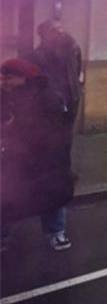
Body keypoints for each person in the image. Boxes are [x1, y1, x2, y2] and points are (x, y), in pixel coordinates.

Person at [0, 58, 74, 249]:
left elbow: (56, 129)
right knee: (6, 192)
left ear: (24, 77)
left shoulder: (49, 97)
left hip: (46, 157)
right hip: (15, 155)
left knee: (52, 193)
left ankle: (56, 233)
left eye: (8, 77)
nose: (4, 81)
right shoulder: (7, 95)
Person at [30, 18, 84, 125]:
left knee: (68, 131)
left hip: (72, 97)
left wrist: (77, 88)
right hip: (51, 102)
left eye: (60, 28)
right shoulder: (37, 56)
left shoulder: (74, 50)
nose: (60, 32)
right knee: (53, 133)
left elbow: (77, 71)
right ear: (44, 35)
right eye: (53, 30)